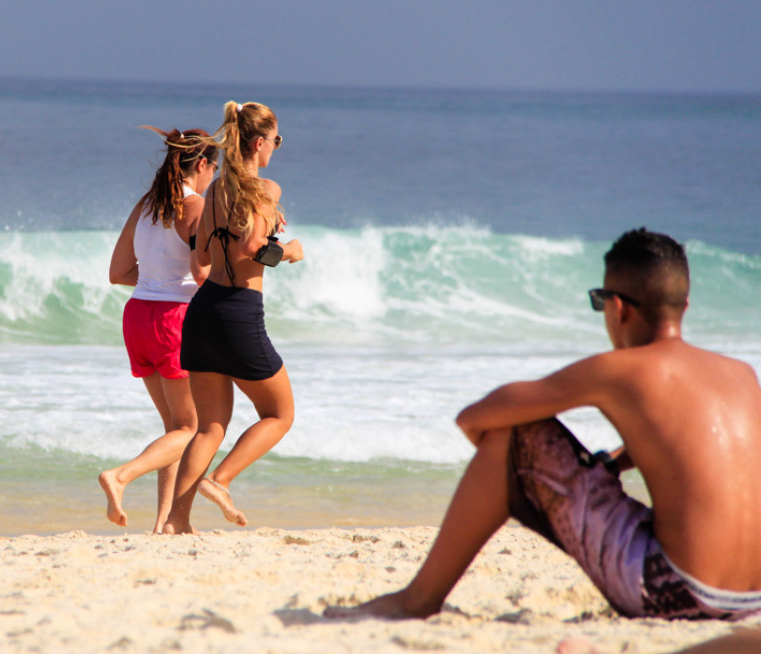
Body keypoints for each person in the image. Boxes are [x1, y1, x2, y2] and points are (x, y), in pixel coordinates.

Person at [325, 228, 761, 622]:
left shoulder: (622, 370)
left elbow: (476, 417)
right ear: (684, 305)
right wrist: (618, 460)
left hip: (679, 594)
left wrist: (524, 483)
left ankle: (417, 600)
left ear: (618, 308)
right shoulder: (742, 373)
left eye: (599, 302)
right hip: (752, 597)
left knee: (512, 435)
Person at [162, 100, 304, 534]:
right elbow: (254, 249)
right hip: (241, 311)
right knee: (279, 414)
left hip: (204, 312)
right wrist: (290, 248)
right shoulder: (267, 190)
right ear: (260, 143)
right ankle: (220, 481)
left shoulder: (214, 192)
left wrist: (257, 233)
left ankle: (175, 522)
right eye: (276, 141)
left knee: (210, 427)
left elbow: (202, 256)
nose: (276, 148)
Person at [100, 127, 218, 533]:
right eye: (213, 169)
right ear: (201, 164)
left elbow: (117, 273)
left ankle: (165, 524)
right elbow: (202, 274)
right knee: (191, 428)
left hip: (138, 317)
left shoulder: (147, 204)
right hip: (175, 320)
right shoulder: (197, 205)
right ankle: (120, 476)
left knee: (174, 429)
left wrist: (156, 279)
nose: (212, 177)